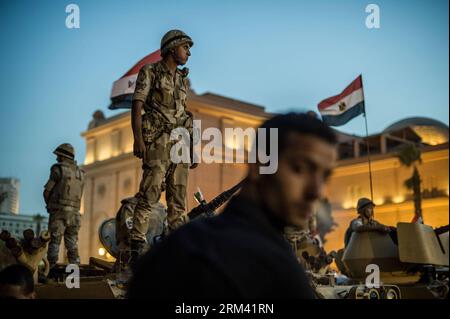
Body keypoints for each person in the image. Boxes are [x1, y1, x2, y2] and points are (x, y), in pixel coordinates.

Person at [128, 112, 338, 298]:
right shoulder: (277, 270)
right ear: (258, 166)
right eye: (300, 169)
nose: (316, 191)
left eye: (324, 176)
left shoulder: (173, 249)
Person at [129, 29, 197, 263]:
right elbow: (137, 105)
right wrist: (138, 139)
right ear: (172, 48)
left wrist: (192, 148)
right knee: (149, 195)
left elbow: (185, 115)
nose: (188, 53)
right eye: (185, 47)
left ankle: (178, 254)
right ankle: (136, 250)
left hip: (180, 143)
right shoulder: (150, 71)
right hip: (157, 141)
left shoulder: (181, 79)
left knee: (178, 201)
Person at [43, 143, 85, 268]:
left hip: (58, 212)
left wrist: (50, 206)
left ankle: (51, 268)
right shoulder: (81, 173)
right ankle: (76, 269)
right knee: (72, 243)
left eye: (58, 156)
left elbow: (47, 192)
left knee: (55, 241)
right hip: (75, 214)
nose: (57, 159)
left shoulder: (57, 169)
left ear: (63, 157)